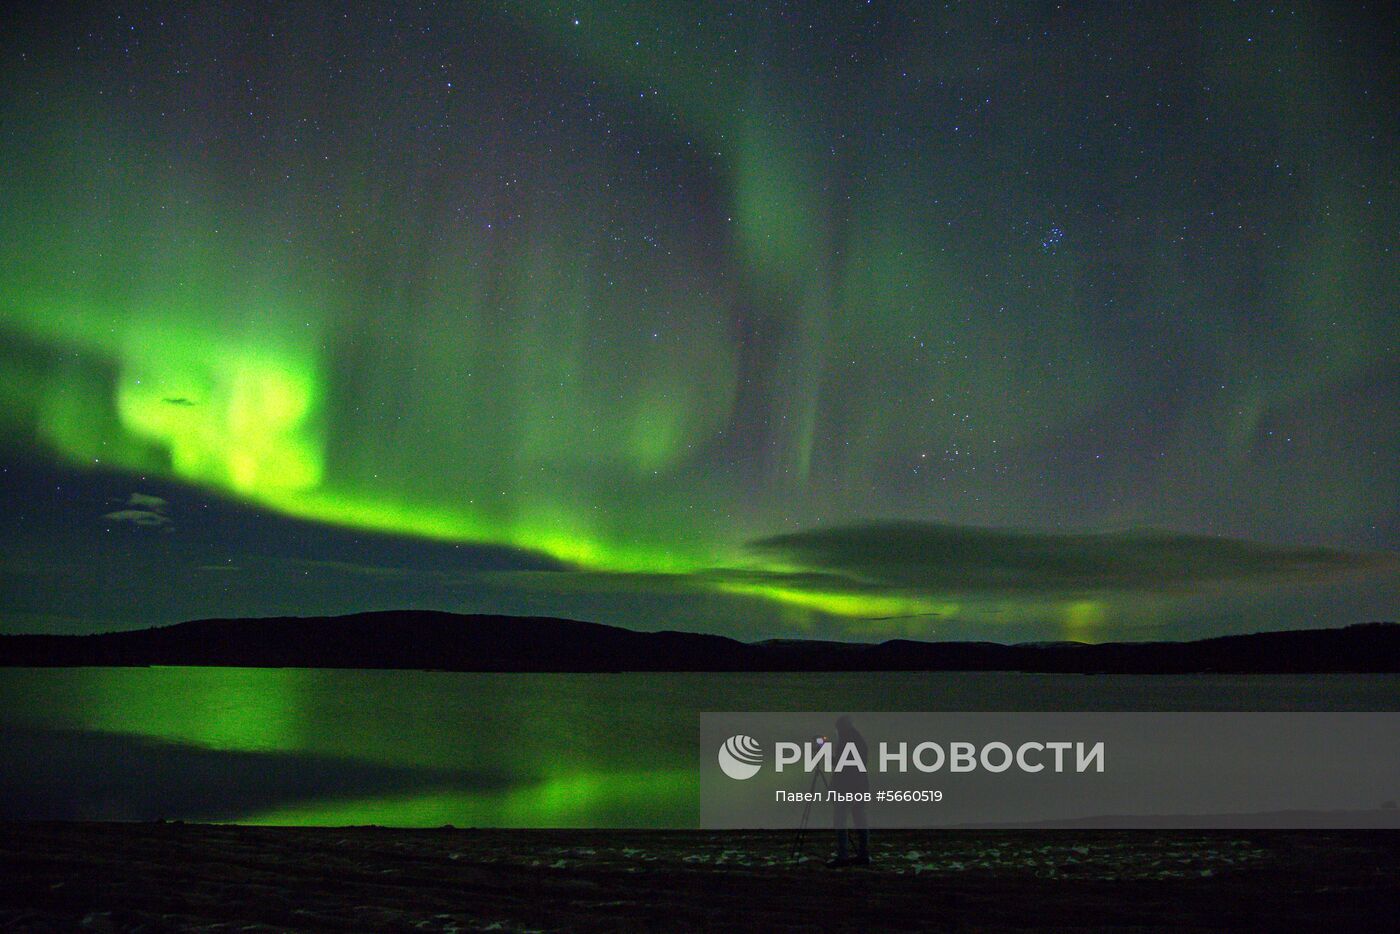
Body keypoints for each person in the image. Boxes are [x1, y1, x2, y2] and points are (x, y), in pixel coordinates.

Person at [828, 714, 871, 867]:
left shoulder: (847, 740)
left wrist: (825, 754)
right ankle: (863, 854)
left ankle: (843, 855)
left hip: (847, 786)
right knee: (860, 818)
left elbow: (841, 764)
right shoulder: (859, 740)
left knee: (840, 819)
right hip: (860, 785)